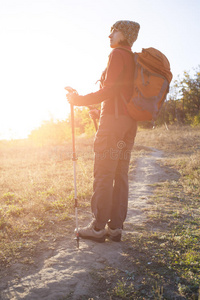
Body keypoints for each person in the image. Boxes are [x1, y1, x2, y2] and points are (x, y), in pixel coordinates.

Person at [66, 20, 140, 242]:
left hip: (114, 124)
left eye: (113, 31)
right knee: (120, 173)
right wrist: (100, 113)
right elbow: (120, 92)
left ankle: (98, 228)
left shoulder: (117, 54)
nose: (109, 36)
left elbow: (109, 90)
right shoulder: (134, 59)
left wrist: (78, 100)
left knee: (104, 174)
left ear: (124, 34)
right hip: (128, 124)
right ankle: (115, 228)